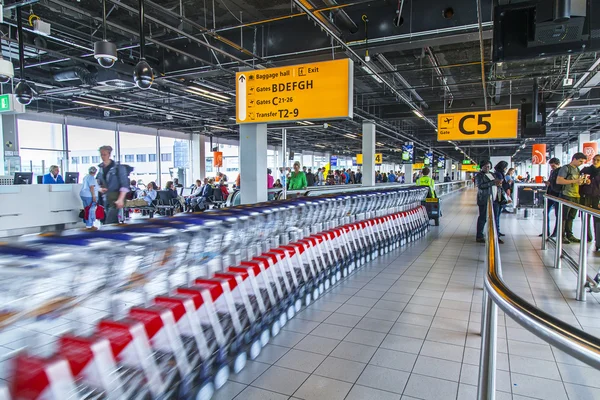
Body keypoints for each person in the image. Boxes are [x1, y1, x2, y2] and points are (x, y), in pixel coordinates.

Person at [557, 152, 588, 244]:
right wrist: (575, 180)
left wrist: (583, 181)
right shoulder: (565, 168)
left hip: (575, 195)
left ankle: (569, 235)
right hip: (566, 195)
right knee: (564, 217)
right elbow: (559, 181)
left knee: (571, 217)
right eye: (580, 161)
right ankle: (562, 236)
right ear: (574, 159)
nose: (581, 163)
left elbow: (577, 182)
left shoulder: (577, 169)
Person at [96, 145, 129, 224]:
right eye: (101, 154)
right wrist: (99, 188)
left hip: (116, 197)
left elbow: (124, 185)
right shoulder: (101, 168)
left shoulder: (118, 168)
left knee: (110, 220)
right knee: (108, 221)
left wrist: (121, 199)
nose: (103, 156)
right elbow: (97, 182)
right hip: (105, 198)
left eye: (104, 154)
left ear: (109, 154)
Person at [475, 160, 503, 244]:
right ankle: (479, 236)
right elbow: (480, 186)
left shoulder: (492, 174)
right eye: (486, 166)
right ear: (482, 167)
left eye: (489, 166)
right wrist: (492, 183)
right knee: (483, 217)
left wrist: (498, 184)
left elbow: (496, 184)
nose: (487, 168)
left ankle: (496, 236)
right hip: (484, 199)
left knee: (495, 218)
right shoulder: (479, 176)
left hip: (494, 198)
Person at [580, 154, 600, 249]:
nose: (595, 161)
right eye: (594, 159)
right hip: (586, 196)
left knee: (597, 219)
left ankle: (598, 240)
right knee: (585, 217)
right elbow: (579, 180)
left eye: (598, 160)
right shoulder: (586, 170)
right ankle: (587, 237)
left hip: (597, 197)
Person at [541, 158, 561, 238]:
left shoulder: (561, 171)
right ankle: (546, 231)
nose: (552, 167)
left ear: (558, 164)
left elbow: (558, 183)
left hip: (557, 194)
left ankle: (556, 232)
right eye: (551, 166)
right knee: (545, 212)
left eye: (553, 166)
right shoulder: (552, 172)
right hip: (550, 194)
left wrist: (550, 183)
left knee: (558, 214)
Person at [493, 161, 510, 236]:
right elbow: (500, 185)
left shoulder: (500, 173)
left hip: (499, 196)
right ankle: (496, 233)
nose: (506, 169)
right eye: (506, 167)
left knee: (498, 214)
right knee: (496, 215)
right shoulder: (498, 174)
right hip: (498, 196)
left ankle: (497, 231)